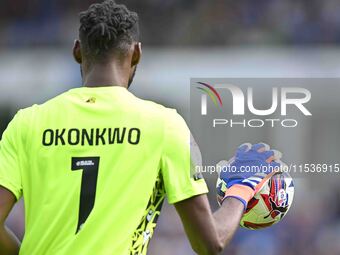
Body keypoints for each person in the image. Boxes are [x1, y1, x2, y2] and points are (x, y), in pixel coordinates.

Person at [0, 1, 282, 254]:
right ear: (136, 54)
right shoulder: (163, 125)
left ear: (77, 51)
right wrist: (242, 190)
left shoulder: (27, 122)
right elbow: (210, 242)